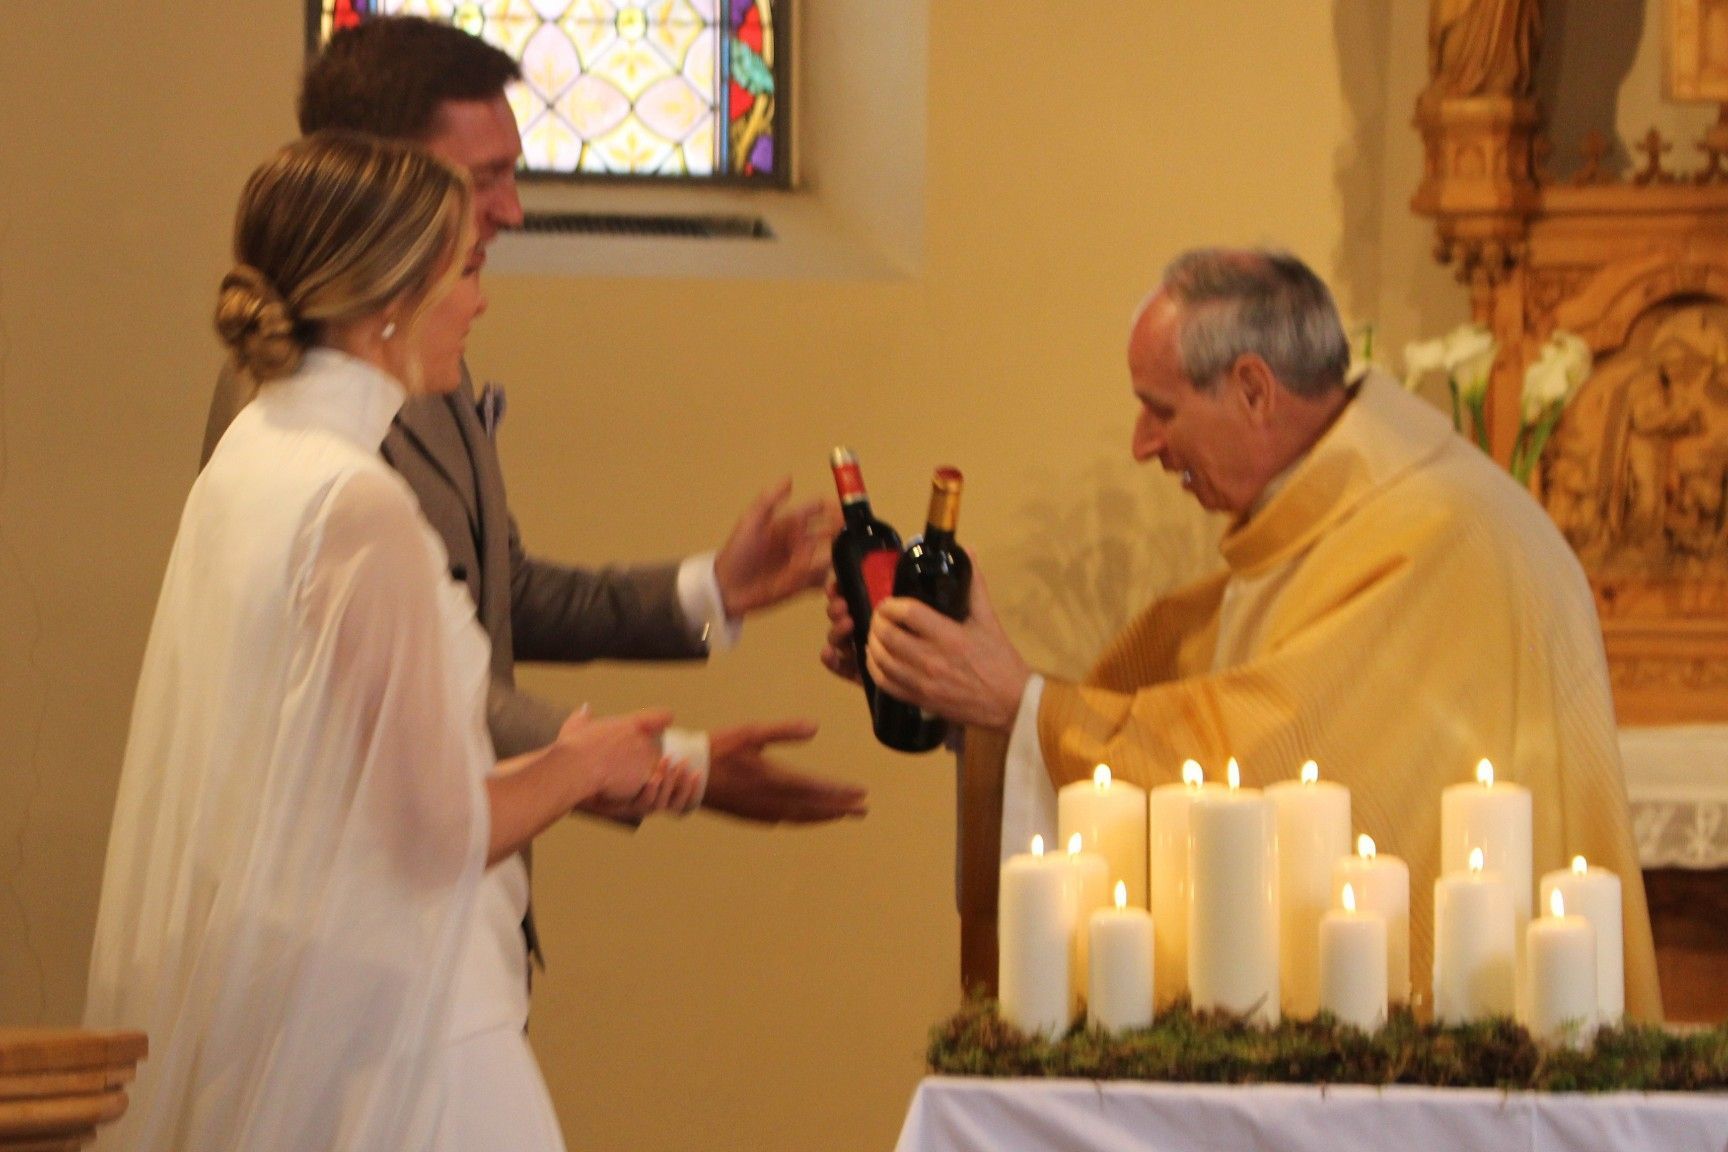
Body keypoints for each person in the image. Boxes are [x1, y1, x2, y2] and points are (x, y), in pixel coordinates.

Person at [829, 248, 1662, 1020]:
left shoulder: (1442, 536)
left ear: (1255, 390)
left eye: (1160, 410)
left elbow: (1267, 762)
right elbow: (1161, 724)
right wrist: (956, 691)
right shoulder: (1335, 527)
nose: (1143, 445)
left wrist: (1021, 704)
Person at [86, 132, 689, 1151]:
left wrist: (582, 759)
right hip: (415, 1035)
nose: (480, 303)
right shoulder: (356, 504)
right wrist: (581, 767)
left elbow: (339, 794)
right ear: (392, 303)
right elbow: (432, 837)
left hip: (308, 1005)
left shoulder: (254, 454)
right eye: (467, 270)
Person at [202, 15, 866, 832]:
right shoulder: (293, 395)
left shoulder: (417, 351)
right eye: (486, 177)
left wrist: (712, 590)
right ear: (381, 174)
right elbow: (396, 688)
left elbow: (497, 592)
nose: (512, 211)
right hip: (378, 858)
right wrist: (673, 764)